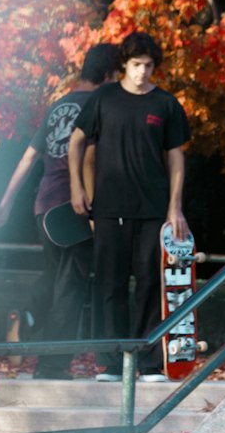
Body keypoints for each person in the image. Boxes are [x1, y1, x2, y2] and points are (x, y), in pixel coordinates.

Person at [0, 44, 122, 378]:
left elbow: (28, 158)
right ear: (107, 76)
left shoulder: (58, 106)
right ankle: (52, 365)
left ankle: (28, 315)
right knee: (71, 287)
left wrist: (5, 203)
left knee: (56, 274)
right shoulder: (100, 104)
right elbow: (94, 157)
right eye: (117, 76)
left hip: (43, 206)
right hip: (75, 206)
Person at [68, 31, 191, 382]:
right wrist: (77, 187)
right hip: (109, 208)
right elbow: (76, 142)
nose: (142, 72)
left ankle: (149, 362)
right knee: (110, 284)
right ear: (124, 64)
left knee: (152, 282)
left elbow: (177, 160)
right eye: (136, 65)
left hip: (153, 209)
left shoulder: (166, 104)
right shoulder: (104, 98)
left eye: (149, 66)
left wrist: (175, 208)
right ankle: (110, 362)